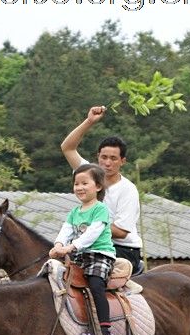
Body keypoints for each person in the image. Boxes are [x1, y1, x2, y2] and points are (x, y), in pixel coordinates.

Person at [61, 105, 142, 273]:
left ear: (122, 161)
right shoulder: (88, 174)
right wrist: (89, 121)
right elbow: (67, 148)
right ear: (97, 157)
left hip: (122, 250)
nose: (107, 162)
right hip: (87, 243)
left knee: (92, 274)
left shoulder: (128, 189)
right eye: (104, 157)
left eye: (113, 158)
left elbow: (121, 231)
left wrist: (86, 226)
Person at [49, 163, 116, 335]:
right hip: (80, 256)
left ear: (98, 186)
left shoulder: (100, 209)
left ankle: (104, 333)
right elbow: (66, 230)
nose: (79, 187)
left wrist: (70, 247)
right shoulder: (74, 212)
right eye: (76, 184)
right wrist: (58, 245)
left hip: (100, 255)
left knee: (95, 284)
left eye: (84, 183)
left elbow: (92, 234)